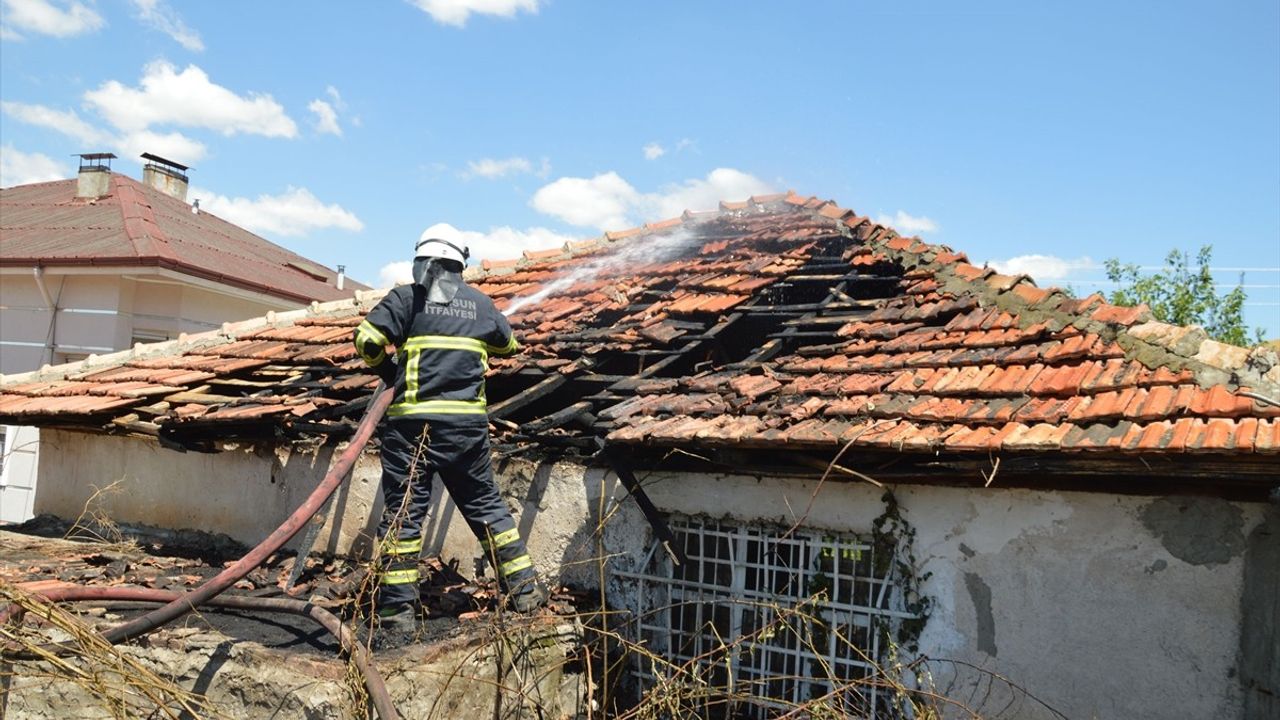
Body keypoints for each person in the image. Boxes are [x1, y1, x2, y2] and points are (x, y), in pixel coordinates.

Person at [353, 230, 545, 638]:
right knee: (486, 506)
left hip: (412, 431)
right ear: (460, 266)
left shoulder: (406, 299)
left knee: (404, 516)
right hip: (466, 432)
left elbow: (367, 340)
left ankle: (395, 615)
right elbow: (509, 346)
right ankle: (526, 591)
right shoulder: (480, 304)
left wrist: (389, 371)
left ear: (421, 262)